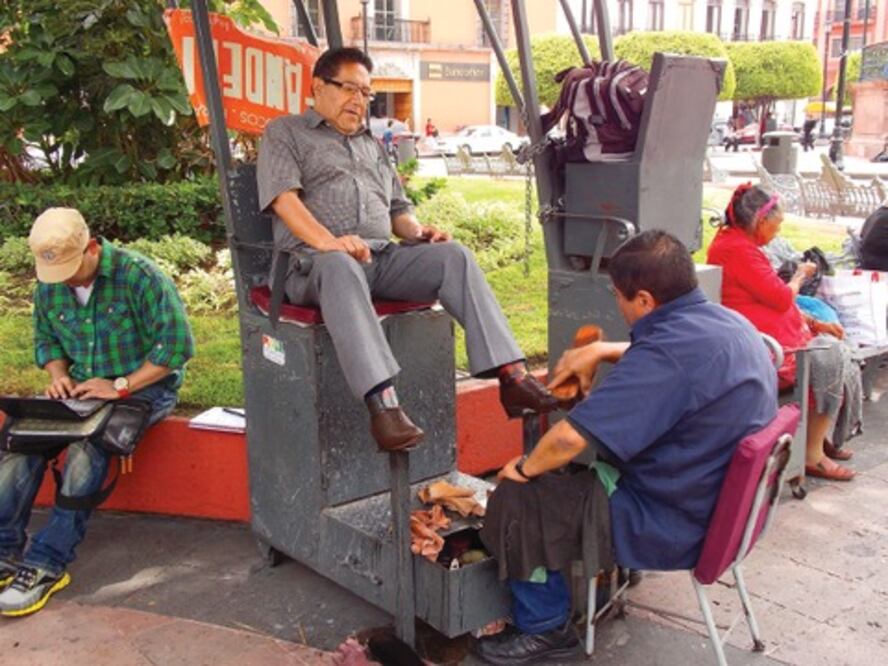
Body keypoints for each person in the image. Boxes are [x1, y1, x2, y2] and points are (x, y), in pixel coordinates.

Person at [474, 230, 777, 665]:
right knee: (578, 468)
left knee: (522, 498)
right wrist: (601, 349)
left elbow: (568, 438)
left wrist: (522, 470)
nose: (617, 304)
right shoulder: (727, 323)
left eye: (619, 296)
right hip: (728, 506)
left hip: (672, 519)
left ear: (646, 301)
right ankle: (599, 572)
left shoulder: (668, 358)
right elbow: (669, 357)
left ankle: (545, 629)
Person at [256, 47, 555, 454]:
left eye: (366, 92)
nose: (359, 101)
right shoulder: (286, 132)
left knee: (455, 256)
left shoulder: (372, 143)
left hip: (379, 259)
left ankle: (512, 378)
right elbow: (283, 201)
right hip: (312, 267)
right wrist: (329, 242)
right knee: (340, 264)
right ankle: (384, 405)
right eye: (349, 89)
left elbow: (398, 210)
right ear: (318, 87)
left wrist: (417, 231)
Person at [0, 208, 194, 617]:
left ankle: (47, 564)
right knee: (20, 441)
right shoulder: (49, 282)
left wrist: (120, 385)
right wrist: (57, 376)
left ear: (91, 248)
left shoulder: (140, 275)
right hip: (81, 389)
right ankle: (4, 550)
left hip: (142, 389)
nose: (64, 280)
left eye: (71, 269)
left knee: (89, 448)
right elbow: (47, 340)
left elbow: (176, 349)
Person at [707, 184, 863, 482]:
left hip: (775, 339)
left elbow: (770, 301)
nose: (777, 233)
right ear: (759, 222)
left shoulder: (740, 244)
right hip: (766, 351)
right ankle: (812, 454)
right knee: (831, 358)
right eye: (776, 226)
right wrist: (801, 275)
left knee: (839, 347)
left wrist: (813, 323)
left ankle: (815, 437)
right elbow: (780, 298)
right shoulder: (737, 249)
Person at [860, 204, 888, 271]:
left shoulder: (875, 214)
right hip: (880, 262)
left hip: (868, 259)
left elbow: (862, 234)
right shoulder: (885, 217)